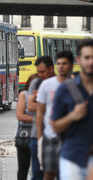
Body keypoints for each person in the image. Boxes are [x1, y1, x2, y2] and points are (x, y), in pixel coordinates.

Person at [51, 39, 93, 180]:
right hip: (72, 157)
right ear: (79, 60)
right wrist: (72, 116)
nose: (91, 62)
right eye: (87, 58)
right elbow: (55, 126)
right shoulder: (66, 89)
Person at [36, 51, 74, 180]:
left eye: (64, 63)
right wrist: (40, 136)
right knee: (48, 173)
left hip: (70, 137)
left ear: (71, 66)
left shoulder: (76, 85)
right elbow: (40, 111)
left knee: (67, 174)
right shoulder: (47, 84)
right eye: (59, 63)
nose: (61, 66)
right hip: (49, 136)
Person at [28, 56, 55, 180]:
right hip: (36, 136)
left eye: (43, 72)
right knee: (37, 174)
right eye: (38, 72)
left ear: (51, 69)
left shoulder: (60, 83)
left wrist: (42, 102)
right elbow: (30, 106)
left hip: (56, 136)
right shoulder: (36, 82)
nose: (40, 75)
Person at [15, 73, 38, 180]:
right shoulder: (24, 94)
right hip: (25, 136)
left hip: (40, 137)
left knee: (38, 169)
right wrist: (39, 120)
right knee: (23, 167)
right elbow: (19, 115)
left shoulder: (45, 96)